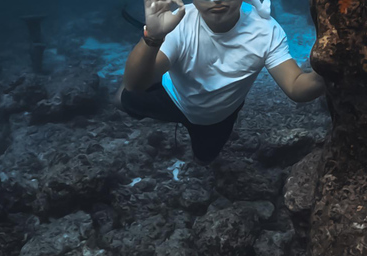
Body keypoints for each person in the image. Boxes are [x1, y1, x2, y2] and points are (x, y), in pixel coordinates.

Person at [117, 0, 325, 164]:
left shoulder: (265, 31)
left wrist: (329, 70)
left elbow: (296, 86)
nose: (215, 0)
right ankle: (139, 80)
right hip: (170, 96)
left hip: (216, 116)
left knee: (205, 158)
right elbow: (135, 85)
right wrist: (153, 37)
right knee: (125, 97)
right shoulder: (178, 23)